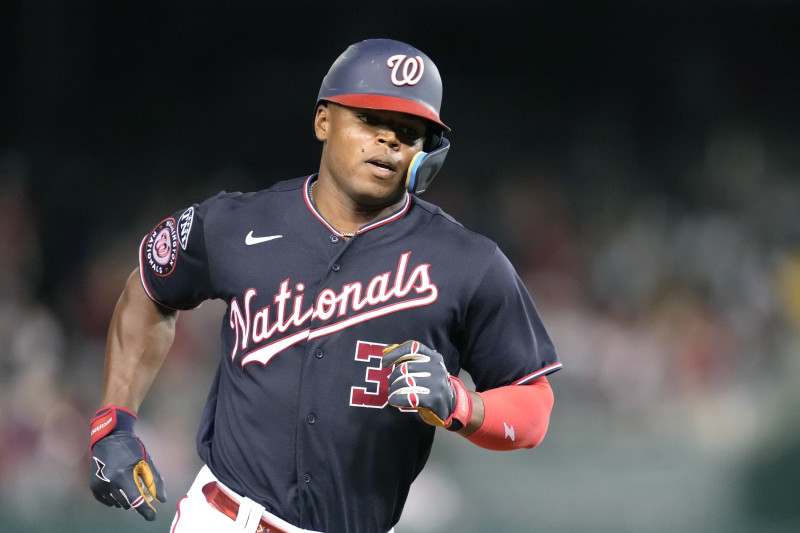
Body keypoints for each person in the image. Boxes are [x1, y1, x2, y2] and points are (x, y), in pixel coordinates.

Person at [88, 38, 562, 533]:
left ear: (427, 152)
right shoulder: (234, 223)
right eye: (369, 119)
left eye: (408, 131)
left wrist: (464, 404)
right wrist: (113, 422)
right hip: (225, 518)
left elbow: (533, 406)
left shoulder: (468, 263)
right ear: (323, 121)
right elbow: (149, 288)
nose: (388, 141)